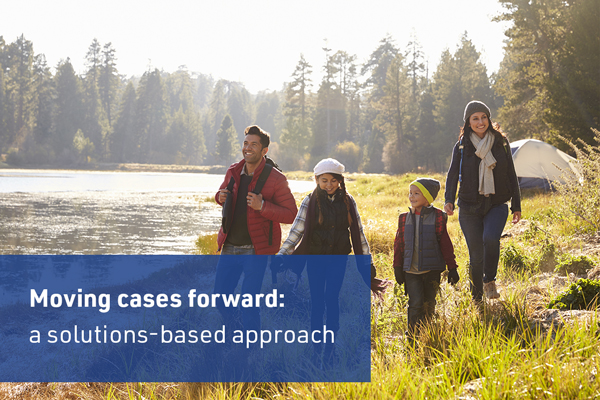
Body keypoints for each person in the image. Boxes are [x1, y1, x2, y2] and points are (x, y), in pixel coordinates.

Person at [276, 158, 388, 365]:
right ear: (317, 179)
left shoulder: (348, 201)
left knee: (331, 298)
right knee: (317, 301)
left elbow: (358, 233)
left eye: (333, 181)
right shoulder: (309, 201)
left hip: (338, 260)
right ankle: (316, 345)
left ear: (340, 181)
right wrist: (282, 254)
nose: (329, 185)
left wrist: (367, 262)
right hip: (315, 261)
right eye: (324, 180)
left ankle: (331, 346)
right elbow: (297, 231)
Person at [213, 125, 297, 332]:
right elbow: (221, 192)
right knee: (220, 299)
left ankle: (250, 349)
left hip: (255, 249)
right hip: (229, 246)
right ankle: (234, 331)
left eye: (254, 145)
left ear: (264, 150)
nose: (248, 148)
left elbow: (291, 214)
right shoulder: (233, 170)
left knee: (248, 304)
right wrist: (219, 197)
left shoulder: (277, 179)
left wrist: (263, 207)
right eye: (245, 143)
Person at [444, 101, 521, 301]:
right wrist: (449, 199)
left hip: (496, 203)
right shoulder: (462, 145)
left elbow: (511, 175)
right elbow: (452, 174)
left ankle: (489, 281)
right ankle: (476, 297)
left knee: (490, 239)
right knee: (476, 255)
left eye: (484, 117)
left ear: (489, 119)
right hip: (469, 207)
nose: (480, 122)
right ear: (468, 122)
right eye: (475, 118)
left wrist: (516, 205)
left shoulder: (500, 142)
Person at [393, 178, 459, 338]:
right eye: (410, 193)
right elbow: (398, 244)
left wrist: (452, 267)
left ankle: (428, 333)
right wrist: (397, 267)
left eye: (416, 193)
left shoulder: (438, 217)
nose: (412, 196)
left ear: (428, 197)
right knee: (415, 304)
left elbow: (445, 244)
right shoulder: (403, 218)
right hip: (411, 271)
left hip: (431, 270)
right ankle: (413, 335)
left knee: (429, 303)